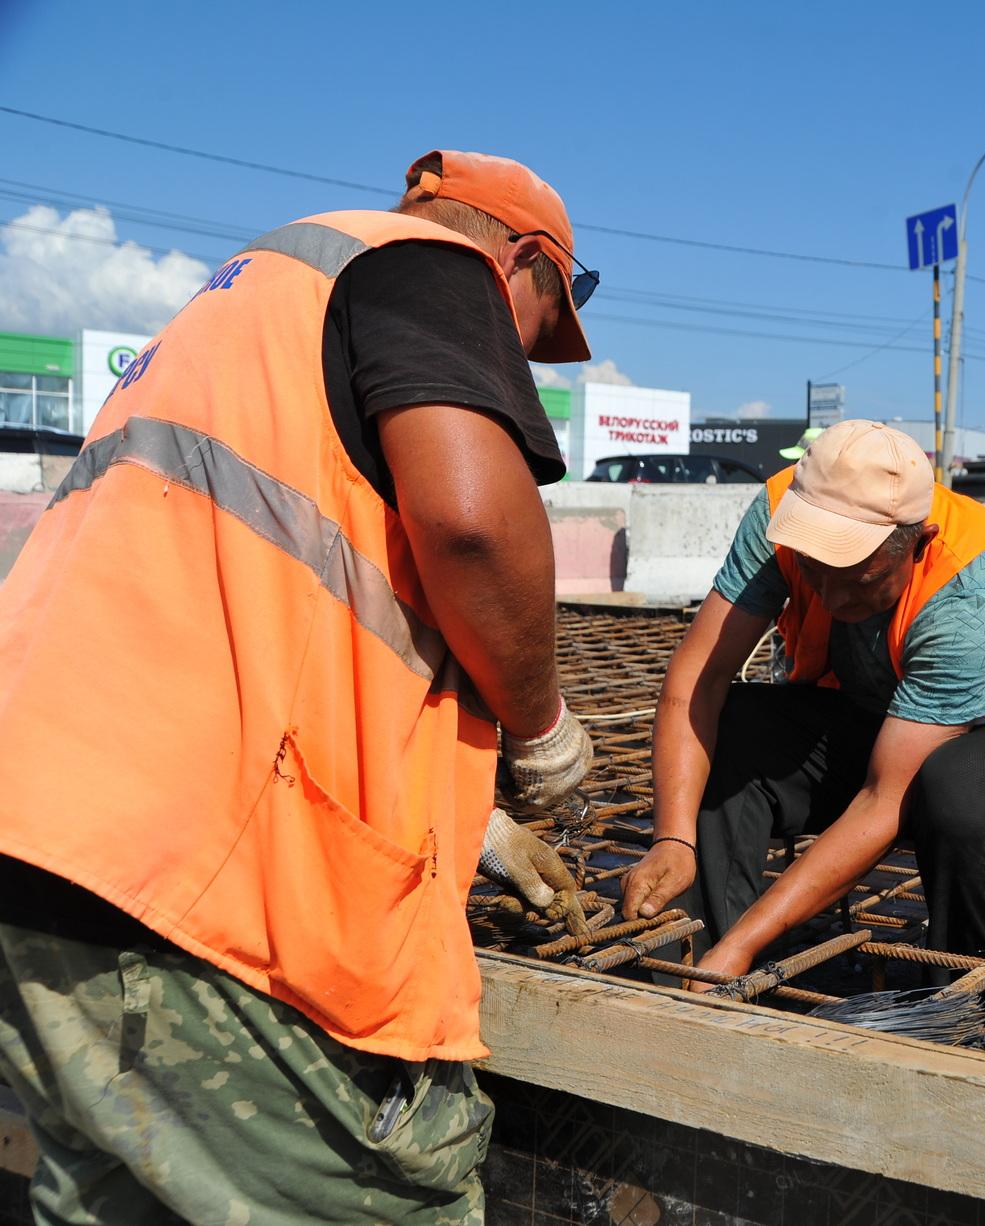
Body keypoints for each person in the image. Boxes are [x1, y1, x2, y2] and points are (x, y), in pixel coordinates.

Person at [0, 150, 600, 1224]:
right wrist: (541, 721)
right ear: (519, 263)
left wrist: (477, 827)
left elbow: (251, 613)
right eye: (534, 329)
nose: (520, 364)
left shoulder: (244, 308)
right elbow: (469, 520)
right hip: (192, 900)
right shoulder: (425, 265)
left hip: (42, 849)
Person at [621, 420, 985, 984]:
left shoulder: (977, 588)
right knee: (734, 727)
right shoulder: (780, 511)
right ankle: (703, 969)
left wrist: (748, 943)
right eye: (816, 571)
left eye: (860, 578)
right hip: (882, 721)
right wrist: (673, 836)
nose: (834, 598)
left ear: (920, 542)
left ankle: (964, 1006)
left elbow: (886, 796)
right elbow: (698, 679)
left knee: (962, 793)